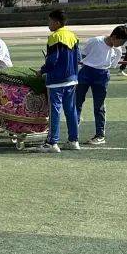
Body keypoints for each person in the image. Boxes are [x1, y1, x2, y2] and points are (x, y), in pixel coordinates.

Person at [77, 25, 127, 145]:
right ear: (114, 37)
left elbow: (112, 64)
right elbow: (82, 55)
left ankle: (100, 135)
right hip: (86, 72)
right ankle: (74, 132)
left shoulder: (118, 50)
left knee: (99, 106)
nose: (120, 45)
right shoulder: (95, 41)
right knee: (77, 101)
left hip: (102, 75)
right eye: (120, 42)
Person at [37, 9, 82, 153]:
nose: (48, 24)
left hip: (56, 80)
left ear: (56, 22)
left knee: (55, 111)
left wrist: (41, 71)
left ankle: (52, 143)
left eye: (49, 21)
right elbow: (79, 58)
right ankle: (73, 141)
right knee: (71, 110)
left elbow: (52, 61)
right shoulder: (73, 36)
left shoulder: (54, 37)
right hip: (72, 79)